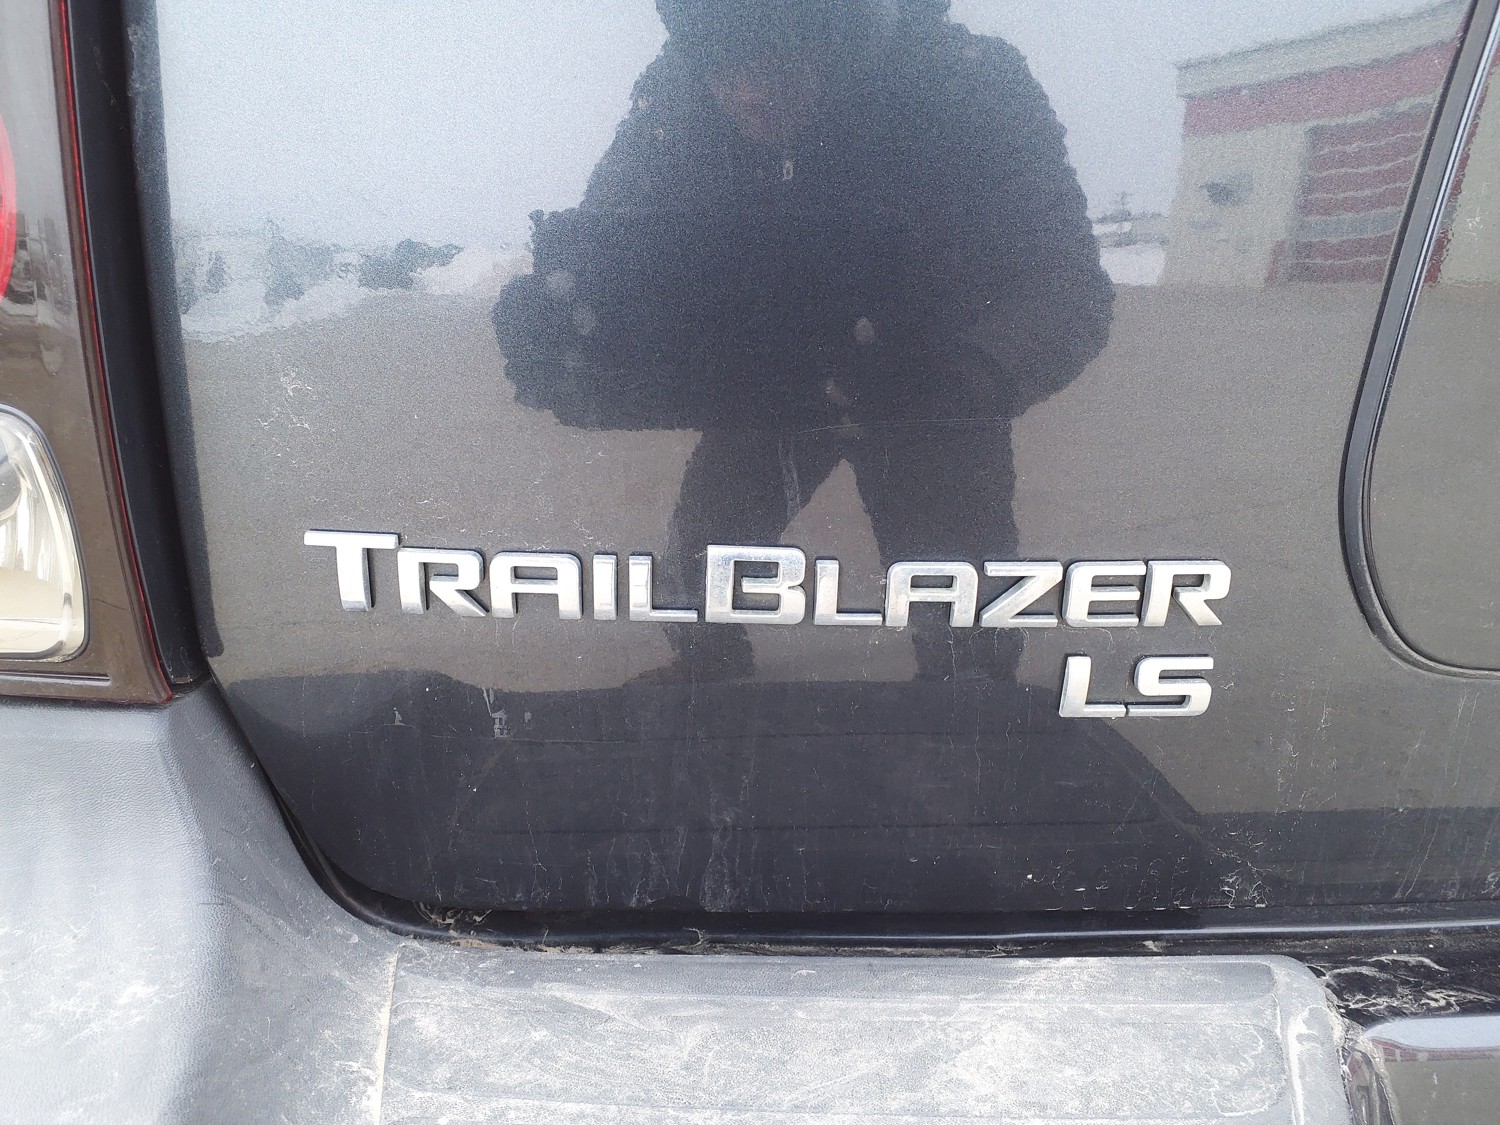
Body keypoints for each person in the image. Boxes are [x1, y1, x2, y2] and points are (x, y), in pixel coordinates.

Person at [493, 0, 1113, 682]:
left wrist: (973, 376)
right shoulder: (678, 88)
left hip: (932, 383)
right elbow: (615, 249)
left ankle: (969, 702)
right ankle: (711, 686)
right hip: (773, 376)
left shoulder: (967, 84)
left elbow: (1067, 283)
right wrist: (563, 322)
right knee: (692, 583)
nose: (748, 94)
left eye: (772, 67)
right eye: (725, 73)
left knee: (965, 620)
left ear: (835, 47)